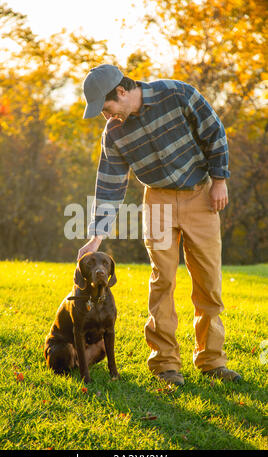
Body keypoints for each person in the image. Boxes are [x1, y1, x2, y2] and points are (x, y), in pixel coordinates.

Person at [78, 64, 241, 386]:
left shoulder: (178, 94)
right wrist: (96, 236)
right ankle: (166, 365)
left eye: (106, 107)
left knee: (208, 282)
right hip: (158, 202)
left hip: (202, 196)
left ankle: (211, 361)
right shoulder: (114, 132)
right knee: (162, 281)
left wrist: (220, 180)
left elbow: (213, 132)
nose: (105, 116)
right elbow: (110, 184)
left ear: (122, 92)